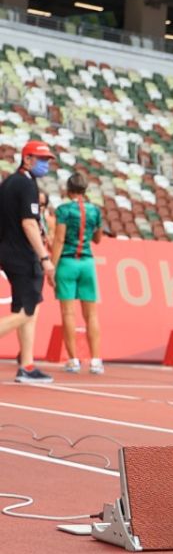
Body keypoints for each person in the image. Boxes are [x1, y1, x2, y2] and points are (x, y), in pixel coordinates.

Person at [0, 141, 57, 383]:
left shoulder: (9, 182)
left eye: (47, 160)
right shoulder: (25, 185)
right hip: (23, 256)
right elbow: (29, 223)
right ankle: (27, 366)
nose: (45, 164)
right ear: (27, 159)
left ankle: (27, 365)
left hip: (8, 252)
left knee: (27, 308)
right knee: (27, 311)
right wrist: (45, 258)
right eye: (41, 159)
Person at [51, 172, 104, 374]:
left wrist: (51, 267)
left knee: (68, 312)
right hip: (87, 262)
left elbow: (59, 240)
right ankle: (96, 360)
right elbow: (98, 239)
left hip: (67, 261)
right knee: (91, 314)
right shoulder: (94, 211)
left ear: (68, 189)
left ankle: (73, 359)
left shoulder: (63, 210)